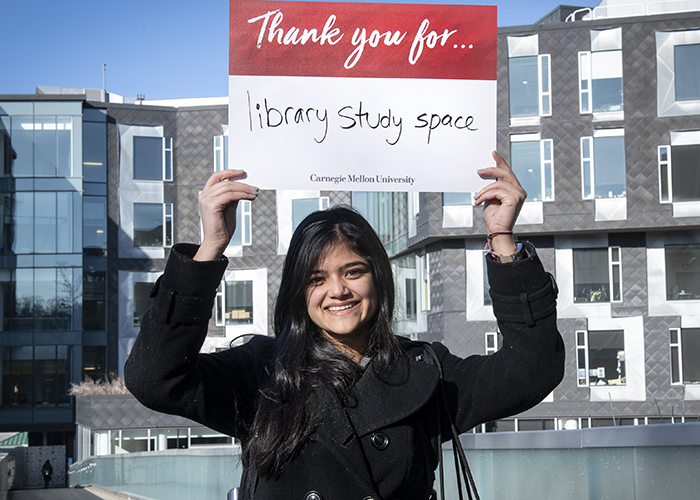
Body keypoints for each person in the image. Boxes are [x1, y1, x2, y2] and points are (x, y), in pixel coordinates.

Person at [124, 152, 565, 500]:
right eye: (317, 278)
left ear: (377, 276)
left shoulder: (426, 371)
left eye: (353, 272)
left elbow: (534, 368)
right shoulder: (261, 373)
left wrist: (503, 239)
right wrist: (210, 249)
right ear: (299, 291)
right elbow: (154, 379)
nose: (338, 291)